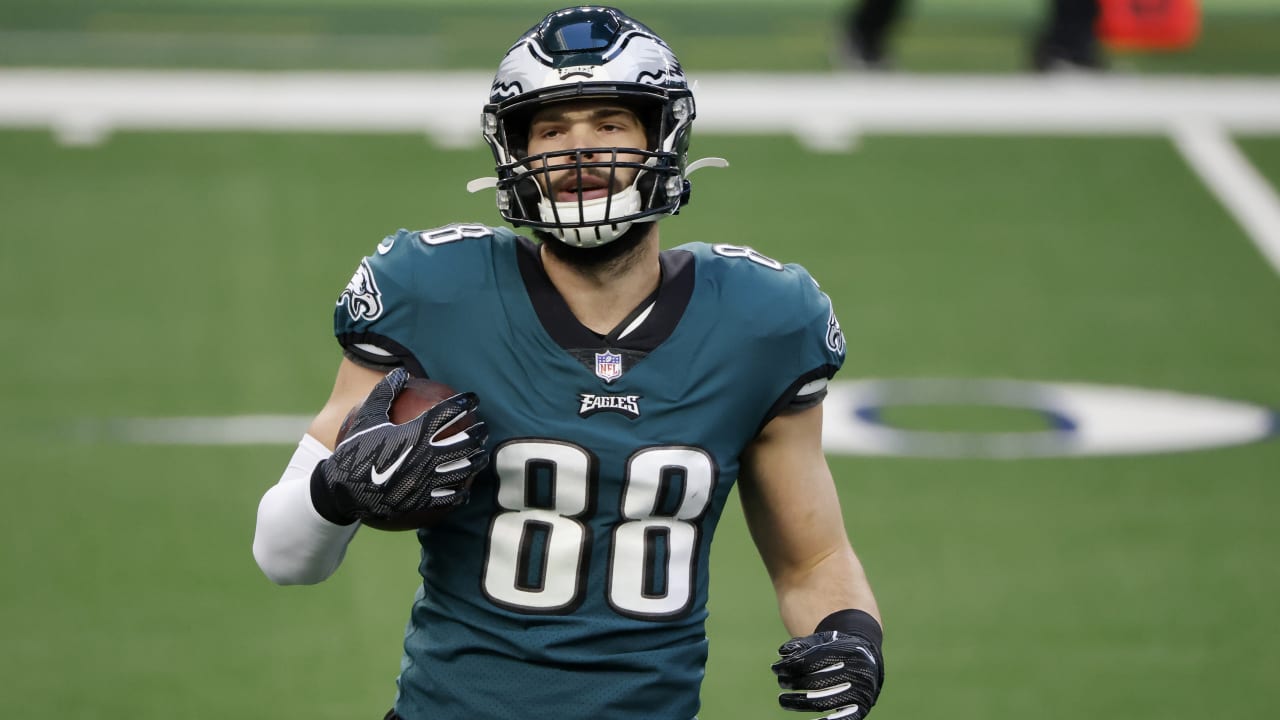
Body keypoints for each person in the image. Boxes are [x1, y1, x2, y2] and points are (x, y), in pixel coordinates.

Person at [252, 6, 885, 719]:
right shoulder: (432, 293)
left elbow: (815, 562)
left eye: (609, 124)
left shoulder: (761, 320)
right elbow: (283, 556)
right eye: (552, 129)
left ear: (661, 137)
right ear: (516, 152)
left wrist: (851, 635)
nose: (578, 149)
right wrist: (339, 490)